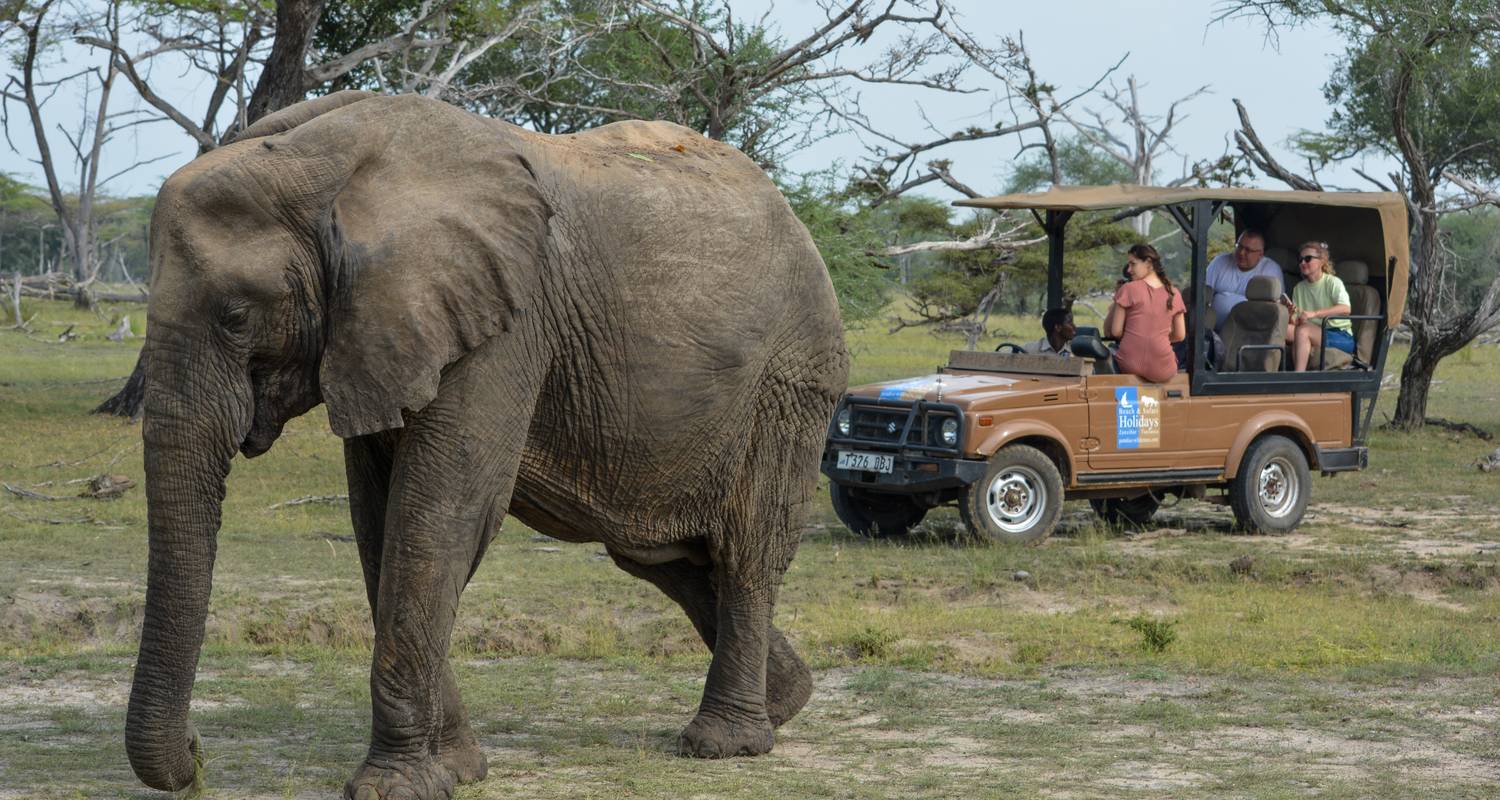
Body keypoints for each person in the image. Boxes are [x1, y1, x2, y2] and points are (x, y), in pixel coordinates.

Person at [1105, 243, 1185, 383]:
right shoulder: (1174, 293)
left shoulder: (1128, 289)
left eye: (1132, 264)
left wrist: (1136, 336)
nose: (1129, 270)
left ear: (1148, 263)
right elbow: (1179, 335)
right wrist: (1157, 338)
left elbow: (1115, 331)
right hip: (1163, 369)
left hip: (1129, 364)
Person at [1283, 240, 1353, 371]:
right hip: (1311, 331)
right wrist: (1289, 314)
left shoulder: (1333, 282)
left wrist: (1314, 314)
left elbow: (1345, 309)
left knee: (1303, 331)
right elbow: (1296, 324)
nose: (1303, 263)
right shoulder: (1299, 288)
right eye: (1300, 260)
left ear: (1322, 261)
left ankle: (1298, 378)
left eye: (1308, 259)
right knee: (1282, 329)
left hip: (1339, 335)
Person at [1204, 230, 1282, 331]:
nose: (1241, 253)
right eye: (1239, 246)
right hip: (1211, 331)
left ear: (1260, 254)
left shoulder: (1270, 270)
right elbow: (1203, 292)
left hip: (1247, 332)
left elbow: (1274, 307)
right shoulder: (1220, 262)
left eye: (1248, 250)